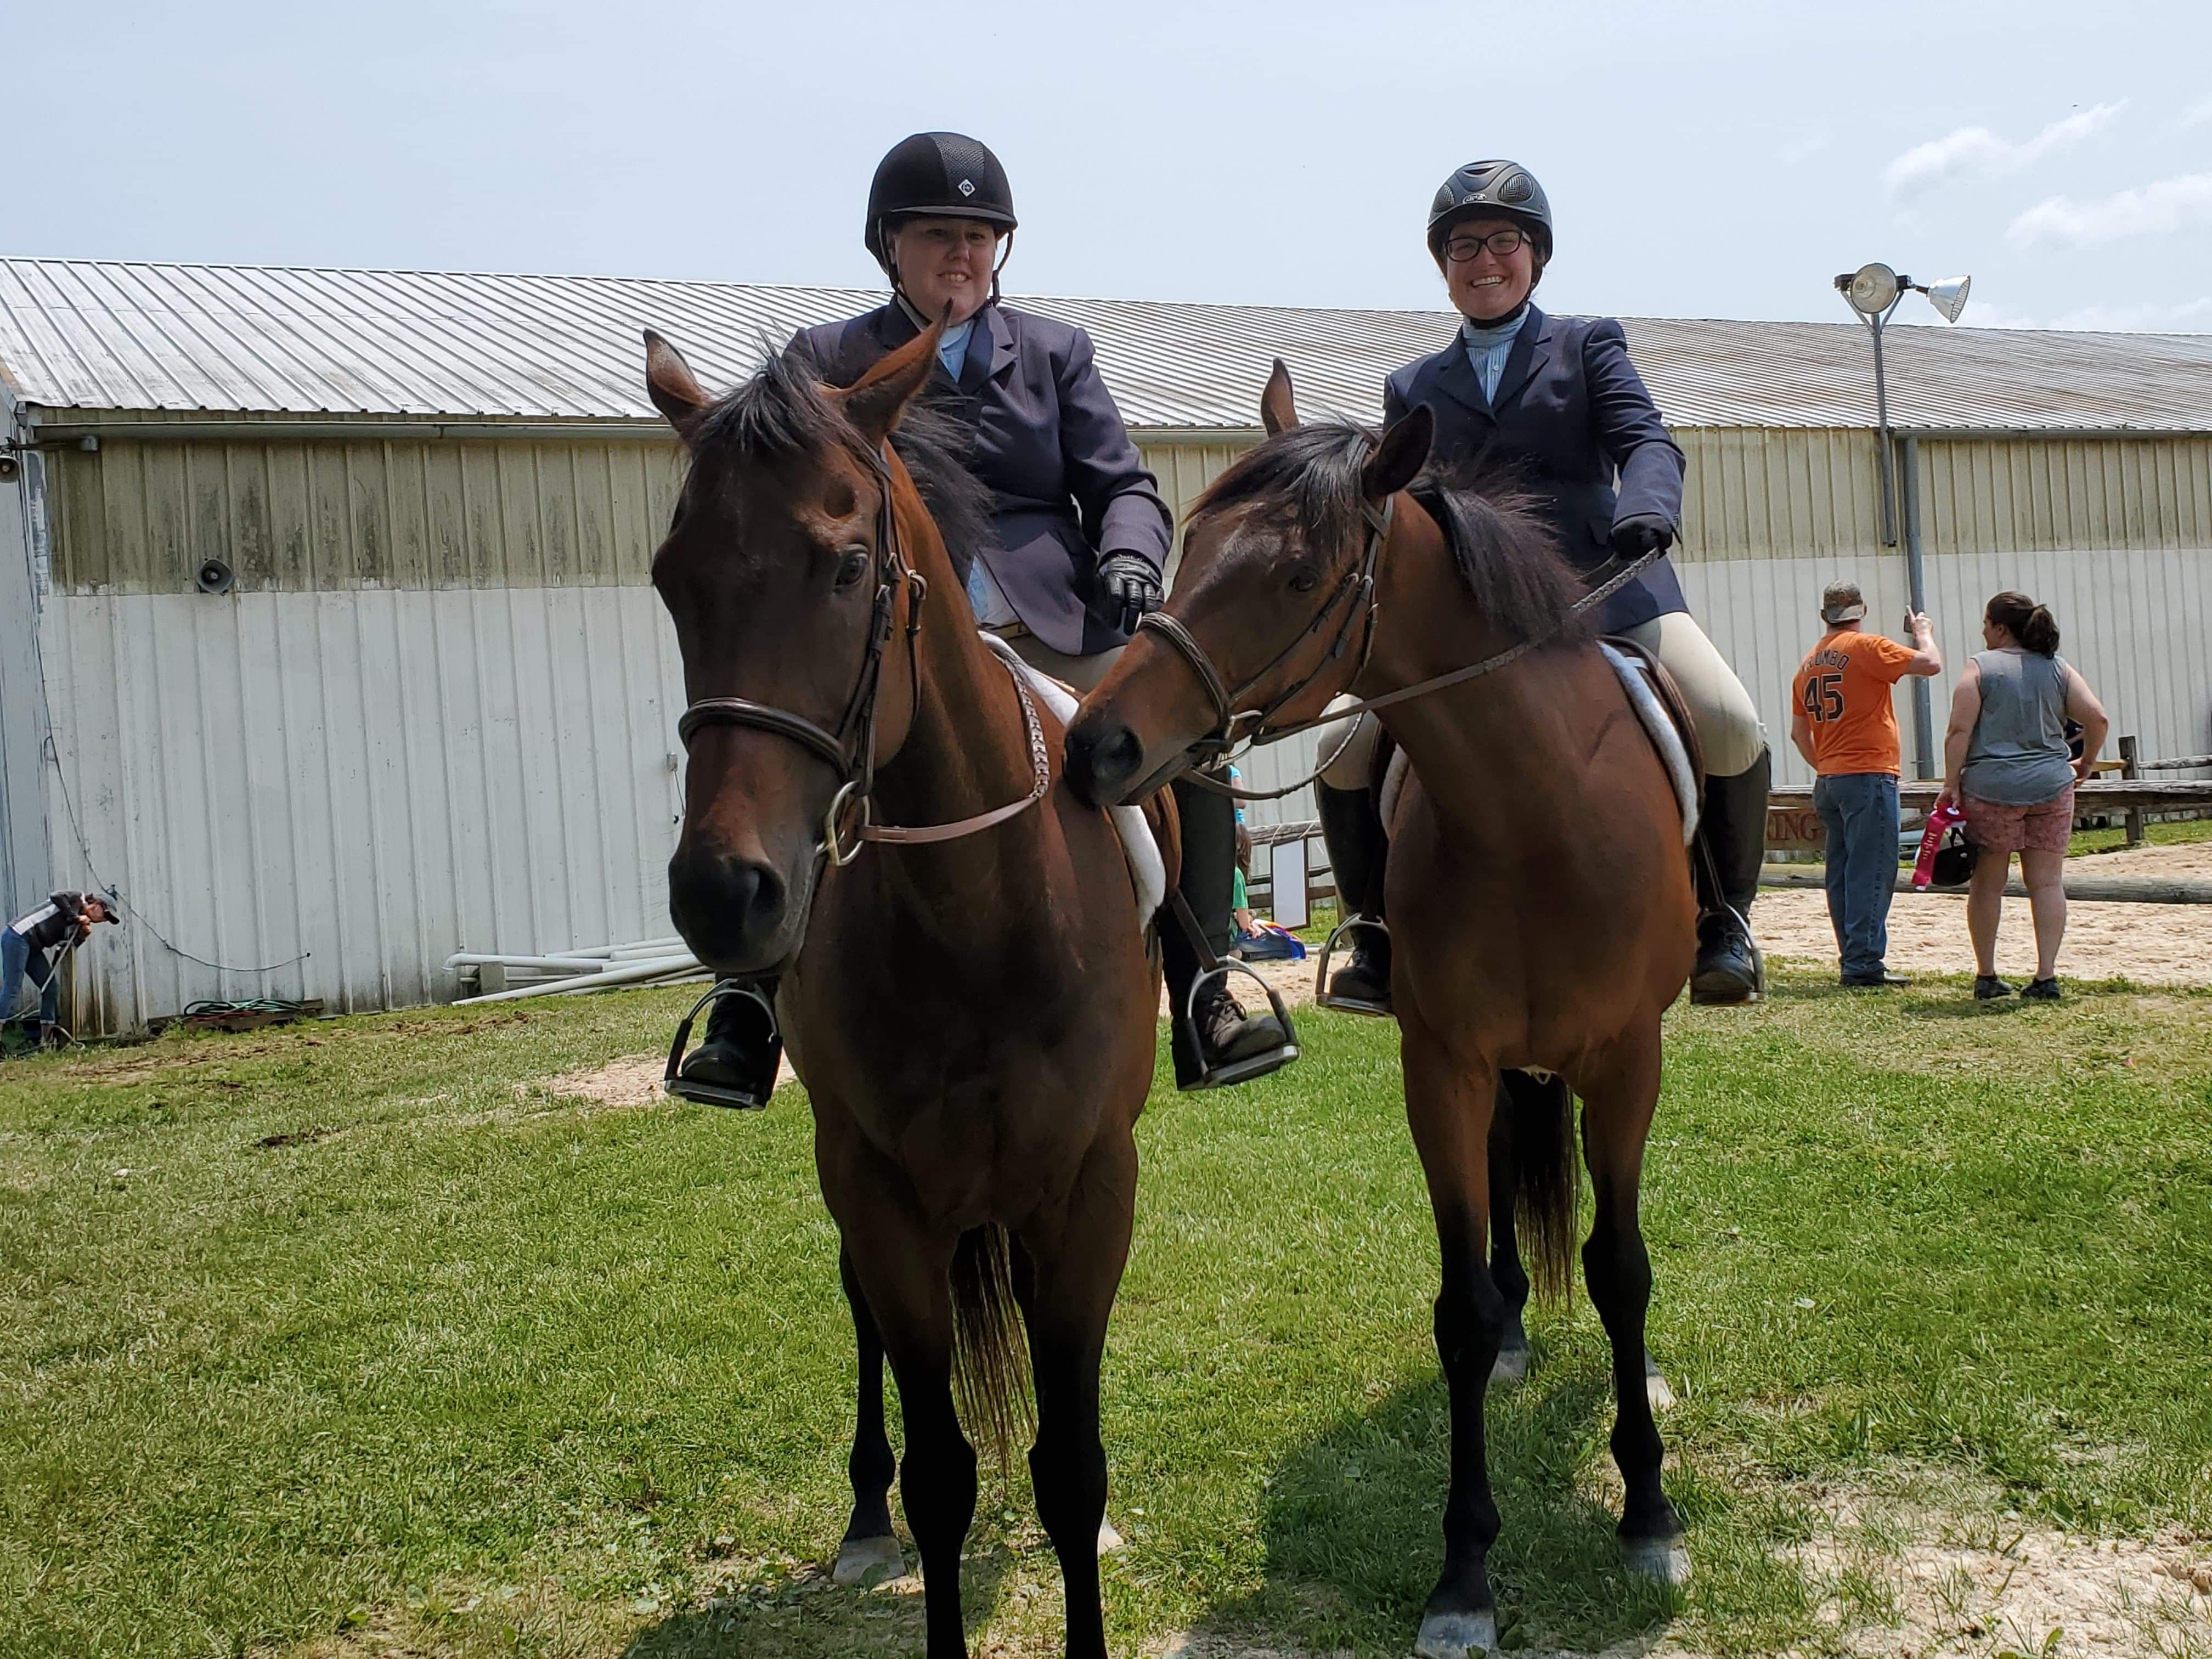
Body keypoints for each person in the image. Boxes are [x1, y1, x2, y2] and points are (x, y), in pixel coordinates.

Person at [673, 132, 1291, 1102]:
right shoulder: (824, 359)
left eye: (978, 236)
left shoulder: (1053, 353)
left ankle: (1207, 980)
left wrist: (1130, 551)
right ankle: (746, 1005)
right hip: (895, 639)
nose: (961, 255)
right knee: (767, 752)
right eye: (937, 236)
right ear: (890, 246)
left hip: (1052, 625)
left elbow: (1123, 481)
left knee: (1190, 749)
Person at [1316, 159, 1773, 1013]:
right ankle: (1372, 933)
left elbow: (1646, 441)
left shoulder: (1588, 343)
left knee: (1728, 718)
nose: (1482, 261)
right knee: (1342, 743)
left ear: (1536, 254)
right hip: (1471, 611)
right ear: (1442, 263)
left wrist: (1647, 508)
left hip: (1603, 584)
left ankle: (1725, 921)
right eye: (1462, 248)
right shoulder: (1412, 386)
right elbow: (1400, 498)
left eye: (1501, 243)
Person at [1938, 590, 2107, 1001]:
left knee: (1988, 884)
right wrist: (2086, 763)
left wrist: (1950, 781)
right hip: (2050, 784)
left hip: (1992, 787)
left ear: (1999, 627)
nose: (1982, 630)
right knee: (2048, 883)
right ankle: (2046, 975)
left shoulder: (1980, 667)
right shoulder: (2058, 668)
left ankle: (1987, 974)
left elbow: (1959, 730)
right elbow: (2097, 717)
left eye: (1985, 623)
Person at [1789, 581, 1943, 988]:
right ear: (1862, 611)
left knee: (1841, 871)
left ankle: (1851, 954)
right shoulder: (1868, 647)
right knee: (1872, 869)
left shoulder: (1808, 664)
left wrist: (1825, 763)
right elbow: (1930, 665)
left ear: (1825, 616)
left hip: (1830, 779)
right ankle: (1863, 961)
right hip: (1868, 773)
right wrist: (1923, 632)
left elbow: (1798, 734)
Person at [2, 891, 115, 1051]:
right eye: (106, 915)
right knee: (12, 988)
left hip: (34, 946)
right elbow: (56, 897)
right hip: (18, 936)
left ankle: (47, 1042)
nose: (104, 920)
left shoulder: (77, 924)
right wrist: (76, 918)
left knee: (50, 988)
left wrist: (82, 937)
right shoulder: (76, 898)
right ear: (97, 904)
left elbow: (63, 951)